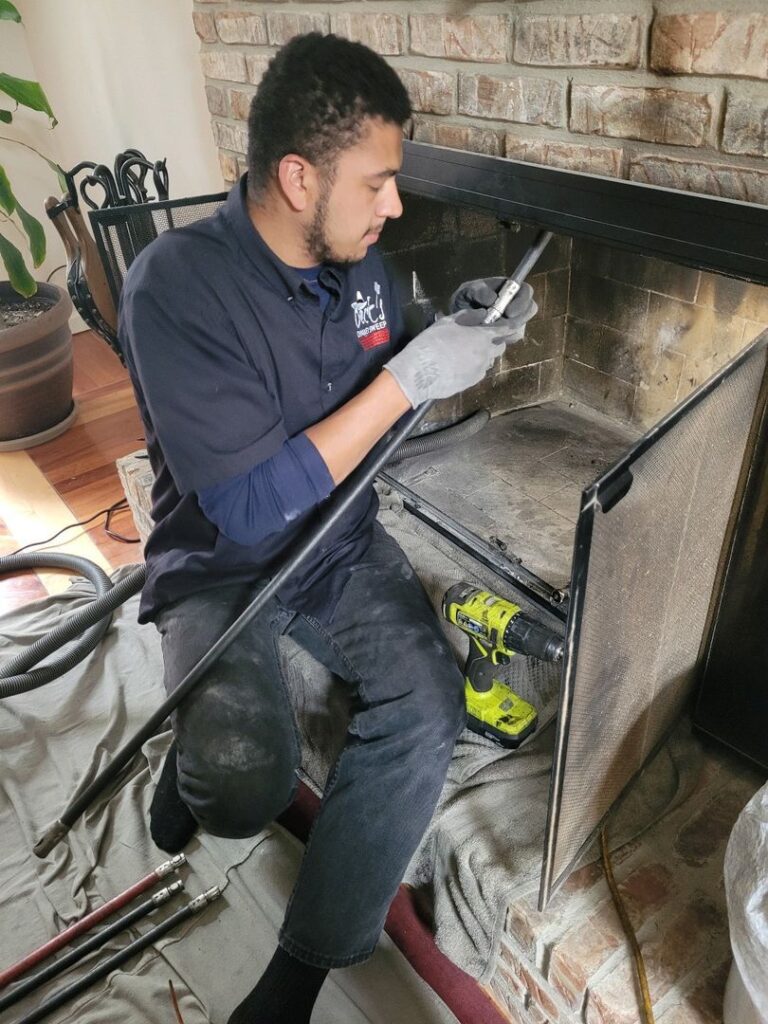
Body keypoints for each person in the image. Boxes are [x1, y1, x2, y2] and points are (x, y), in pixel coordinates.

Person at [119, 32, 536, 1024]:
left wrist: (452, 333)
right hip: (222, 565)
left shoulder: (366, 271)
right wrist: (406, 376)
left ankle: (295, 978)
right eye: (379, 183)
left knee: (427, 702)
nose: (395, 206)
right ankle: (192, 776)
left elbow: (382, 410)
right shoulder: (176, 289)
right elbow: (253, 504)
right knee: (241, 779)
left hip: (339, 548)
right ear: (299, 177)